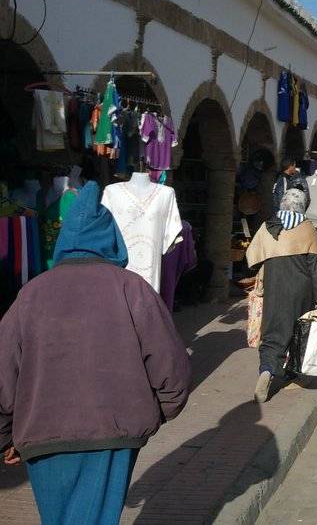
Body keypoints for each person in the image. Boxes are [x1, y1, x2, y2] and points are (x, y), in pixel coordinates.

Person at [0, 183, 191, 524]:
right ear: (112, 239)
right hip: (112, 432)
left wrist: (4, 435)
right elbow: (171, 368)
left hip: (43, 434)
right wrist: (151, 414)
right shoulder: (132, 288)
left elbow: (4, 372)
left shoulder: (31, 293)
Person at [246, 188, 317, 402]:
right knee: (299, 331)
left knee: (273, 332)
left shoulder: (268, 226)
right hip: (302, 290)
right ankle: (293, 376)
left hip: (274, 288)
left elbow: (252, 257)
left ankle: (267, 369)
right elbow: (315, 267)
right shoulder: (307, 228)